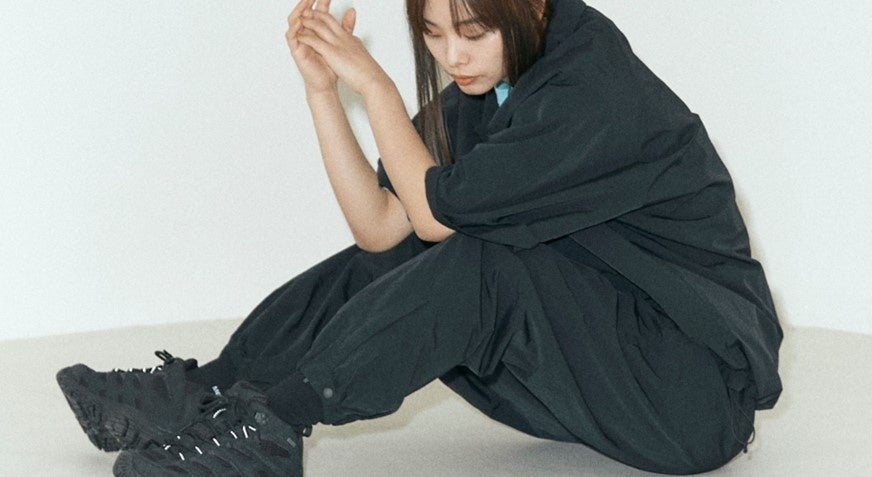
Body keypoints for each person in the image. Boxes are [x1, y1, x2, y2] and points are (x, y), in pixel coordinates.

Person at [56, 0, 783, 475]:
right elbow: (383, 228)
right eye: (433, 33)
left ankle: (273, 430)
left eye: (472, 32)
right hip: (596, 377)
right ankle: (206, 391)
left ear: (533, 7)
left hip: (688, 396)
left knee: (480, 257)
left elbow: (436, 214)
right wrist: (324, 91)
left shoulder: (591, 92)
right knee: (413, 255)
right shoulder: (495, 85)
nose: (452, 56)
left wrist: (376, 89)